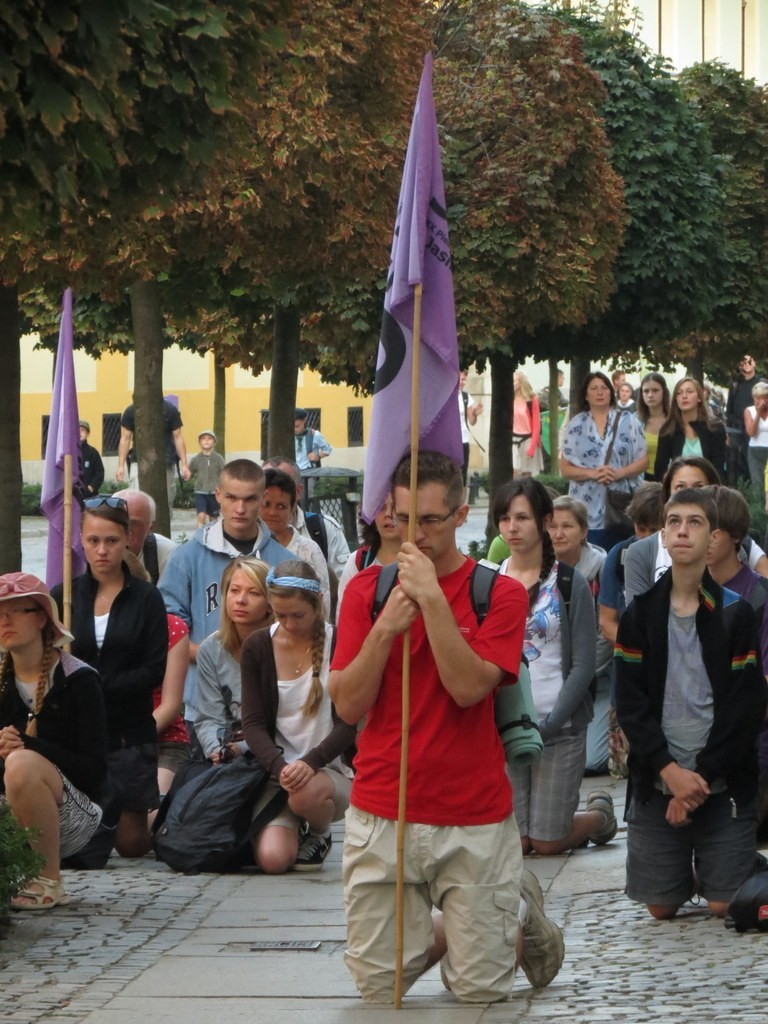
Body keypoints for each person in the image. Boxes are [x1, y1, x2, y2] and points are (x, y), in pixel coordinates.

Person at [329, 451, 564, 1005]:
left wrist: (433, 601)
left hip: (473, 814)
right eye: (403, 517)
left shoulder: (499, 594)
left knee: (478, 991)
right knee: (377, 986)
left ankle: (513, 915)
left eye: (430, 520)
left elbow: (467, 688)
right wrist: (385, 630)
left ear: (462, 515)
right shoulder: (366, 591)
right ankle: (478, 921)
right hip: (384, 806)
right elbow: (346, 706)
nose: (414, 533)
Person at [615, 487, 766, 920]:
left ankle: (728, 863)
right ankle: (696, 865)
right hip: (658, 776)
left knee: (726, 906)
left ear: (713, 537)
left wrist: (696, 782)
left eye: (695, 523)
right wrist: (669, 772)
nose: (683, 531)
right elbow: (631, 703)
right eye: (674, 522)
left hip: (719, 780)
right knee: (661, 908)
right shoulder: (640, 615)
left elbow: (745, 709)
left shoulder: (735, 614)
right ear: (662, 535)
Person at [495, 479, 614, 854]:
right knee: (516, 842)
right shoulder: (490, 580)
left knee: (546, 843)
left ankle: (599, 817)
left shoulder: (567, 581)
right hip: (506, 729)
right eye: (504, 518)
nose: (511, 528)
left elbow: (582, 665)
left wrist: (548, 725)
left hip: (558, 726)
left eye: (522, 518)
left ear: (544, 522)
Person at [52, 496, 168, 858]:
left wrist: (95, 687)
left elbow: (153, 669)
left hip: (129, 732)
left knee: (132, 846)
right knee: (81, 843)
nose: (102, 550)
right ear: (82, 541)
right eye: (93, 541)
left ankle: (156, 815)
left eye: (111, 541)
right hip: (78, 734)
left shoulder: (147, 598)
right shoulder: (64, 597)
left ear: (127, 539)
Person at [159, 459, 293, 754]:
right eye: (232, 497)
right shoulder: (186, 558)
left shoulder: (283, 561)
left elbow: (298, 629)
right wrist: (215, 656)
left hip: (270, 705)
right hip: (201, 707)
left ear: (262, 498)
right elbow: (168, 628)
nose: (240, 508)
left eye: (249, 499)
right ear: (217, 494)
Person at [0, 573, 107, 910]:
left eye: (17, 611)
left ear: (43, 617)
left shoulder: (79, 680)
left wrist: (27, 749)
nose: (5, 620)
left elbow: (94, 773)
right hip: (9, 813)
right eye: (0, 612)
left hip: (73, 815)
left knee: (21, 764)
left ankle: (48, 879)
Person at [241, 560, 355, 873]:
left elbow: (351, 722)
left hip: (330, 769)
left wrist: (311, 761)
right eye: (280, 615)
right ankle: (288, 826)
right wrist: (281, 767)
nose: (290, 624)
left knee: (305, 795)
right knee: (273, 860)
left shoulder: (340, 641)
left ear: (318, 604)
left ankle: (320, 831)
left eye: (298, 615)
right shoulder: (258, 646)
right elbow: (251, 724)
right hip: (278, 773)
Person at [549, 495, 613, 775]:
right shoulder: (537, 568)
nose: (558, 533)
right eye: (552, 526)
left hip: (595, 678)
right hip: (549, 672)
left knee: (591, 760)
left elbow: (603, 635)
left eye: (567, 526)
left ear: (584, 531)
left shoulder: (602, 569)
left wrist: (574, 679)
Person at [195, 558, 274, 763]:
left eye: (254, 593)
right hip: (226, 756)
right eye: (234, 590)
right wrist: (217, 752)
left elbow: (282, 726)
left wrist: (240, 749)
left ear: (270, 604)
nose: (241, 600)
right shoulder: (211, 649)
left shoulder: (281, 646)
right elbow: (209, 719)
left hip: (276, 753)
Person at [560, 370, 648, 552]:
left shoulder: (629, 422)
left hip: (621, 506)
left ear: (611, 392)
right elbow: (565, 469)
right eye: (594, 388)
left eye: (604, 388)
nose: (599, 392)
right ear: (586, 394)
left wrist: (618, 473)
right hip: (586, 507)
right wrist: (593, 473)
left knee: (620, 559)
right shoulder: (576, 425)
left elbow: (643, 460)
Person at [262, 456, 350, 580]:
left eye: (283, 484)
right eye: (267, 483)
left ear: (298, 491)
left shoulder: (324, 528)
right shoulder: (243, 535)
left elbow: (343, 585)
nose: (275, 488)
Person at [259, 468, 332, 618]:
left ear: (293, 508)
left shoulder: (309, 550)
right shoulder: (247, 549)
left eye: (281, 506)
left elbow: (323, 607)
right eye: (266, 504)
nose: (272, 512)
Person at [117, 397, 191, 518]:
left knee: (166, 501)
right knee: (136, 499)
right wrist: (120, 466)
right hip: (138, 461)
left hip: (165, 462)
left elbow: (178, 437)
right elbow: (125, 438)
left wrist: (184, 464)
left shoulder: (170, 410)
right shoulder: (131, 411)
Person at [336, 499, 401, 616]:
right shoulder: (357, 562)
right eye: (381, 507)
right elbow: (343, 620)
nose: (388, 514)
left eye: (396, 506)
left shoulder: (427, 560)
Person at [655, 377, 727, 481]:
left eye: (689, 392)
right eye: (679, 393)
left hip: (708, 489)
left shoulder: (715, 429)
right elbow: (660, 469)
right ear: (675, 399)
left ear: (699, 398)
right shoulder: (668, 429)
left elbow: (718, 469)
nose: (684, 396)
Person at [113, 489, 177, 584]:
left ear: (150, 528)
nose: (124, 530)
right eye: (117, 521)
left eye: (133, 524)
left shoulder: (167, 554)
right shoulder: (91, 551)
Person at [726, 354, 763, 485]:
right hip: (737, 429)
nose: (746, 364)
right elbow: (729, 409)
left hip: (756, 429)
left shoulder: (761, 384)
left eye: (749, 362)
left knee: (753, 462)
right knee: (736, 464)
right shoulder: (735, 385)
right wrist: (729, 431)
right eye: (743, 362)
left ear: (754, 364)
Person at [635, 372, 670, 481]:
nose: (650, 395)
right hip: (640, 480)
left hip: (668, 478)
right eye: (646, 391)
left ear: (664, 392)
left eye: (655, 390)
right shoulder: (634, 421)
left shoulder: (674, 421)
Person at [189, 430, 225, 527]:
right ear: (199, 442)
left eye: (209, 439)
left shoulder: (218, 458)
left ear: (214, 442)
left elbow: (225, 473)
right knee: (201, 516)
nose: (206, 441)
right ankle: (200, 537)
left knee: (214, 518)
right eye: (203, 439)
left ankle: (213, 537)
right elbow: (190, 473)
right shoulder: (196, 459)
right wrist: (186, 474)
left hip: (215, 493)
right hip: (200, 492)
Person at [511, 370, 543, 477]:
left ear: (520, 383)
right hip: (513, 438)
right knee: (513, 471)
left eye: (514, 381)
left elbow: (536, 425)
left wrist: (532, 447)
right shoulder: (509, 399)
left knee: (526, 474)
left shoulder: (531, 400)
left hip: (528, 439)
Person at [458, 368, 483, 485]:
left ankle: (461, 501)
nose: (463, 382)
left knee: (462, 475)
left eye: (464, 380)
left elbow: (472, 421)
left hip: (463, 440)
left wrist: (475, 414)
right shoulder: (445, 396)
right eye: (461, 379)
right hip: (449, 441)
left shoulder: (465, 397)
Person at [744, 382, 768, 500]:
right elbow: (751, 432)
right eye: (757, 398)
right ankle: (757, 511)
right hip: (755, 450)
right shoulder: (749, 411)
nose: (761, 401)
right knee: (757, 484)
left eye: (764, 398)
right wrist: (758, 413)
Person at [79, 420, 104, 497]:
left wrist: (92, 487)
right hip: (72, 496)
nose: (80, 433)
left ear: (88, 434)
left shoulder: (92, 452)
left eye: (83, 430)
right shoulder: (70, 452)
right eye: (77, 430)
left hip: (89, 496)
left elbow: (99, 472)